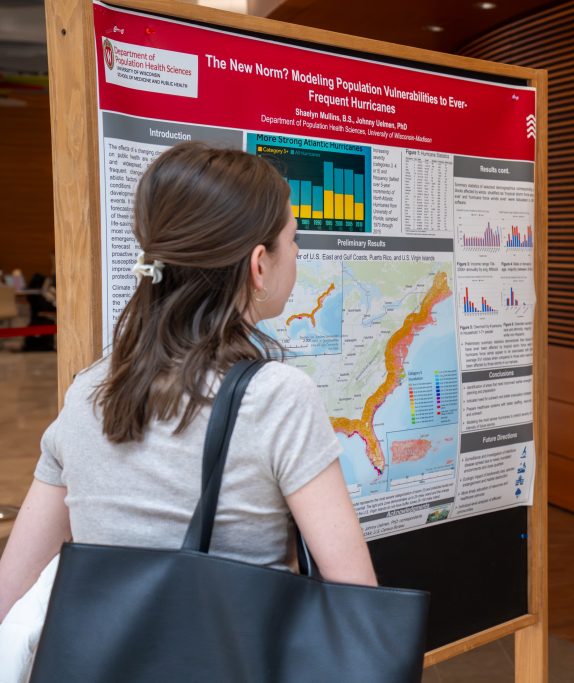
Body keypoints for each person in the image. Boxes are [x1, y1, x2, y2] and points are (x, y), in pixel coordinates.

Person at [0, 142, 376, 664]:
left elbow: (10, 587)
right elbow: (356, 599)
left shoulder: (89, 390)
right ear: (259, 264)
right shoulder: (278, 397)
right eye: (294, 241)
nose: (298, 255)